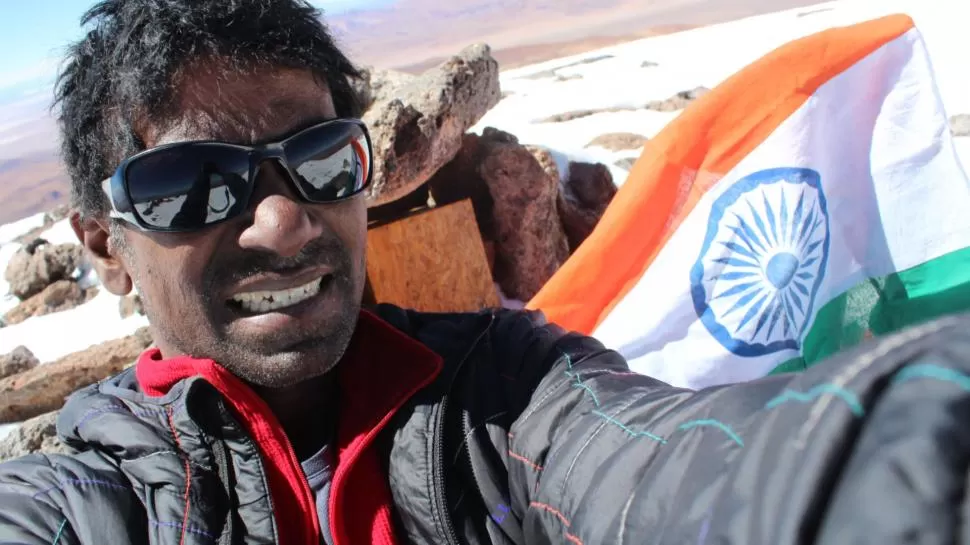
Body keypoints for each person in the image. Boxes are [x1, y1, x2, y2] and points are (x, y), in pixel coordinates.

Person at [1, 1, 968, 544]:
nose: (285, 220)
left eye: (324, 158)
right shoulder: (85, 506)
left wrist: (922, 438)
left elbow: (680, 463)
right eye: (191, 184)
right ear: (102, 245)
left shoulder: (505, 396)